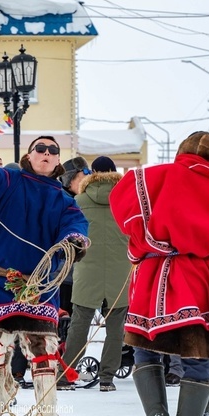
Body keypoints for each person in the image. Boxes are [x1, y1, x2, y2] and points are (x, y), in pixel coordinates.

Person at [109, 131, 209, 416]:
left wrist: (141, 245)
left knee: (145, 342)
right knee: (198, 350)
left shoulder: (155, 176)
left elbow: (121, 200)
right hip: (202, 279)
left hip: (156, 273)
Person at [0, 134, 90, 416]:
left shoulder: (63, 200)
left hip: (40, 284)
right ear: (29, 157)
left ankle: (47, 407)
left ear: (58, 161)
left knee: (42, 344)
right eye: (40, 148)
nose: (46, 153)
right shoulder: (7, 180)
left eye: (53, 150)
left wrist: (73, 241)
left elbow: (76, 225)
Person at [60, 155, 131, 392]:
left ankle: (66, 373)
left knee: (79, 323)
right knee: (115, 327)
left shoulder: (78, 200)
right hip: (120, 271)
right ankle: (107, 378)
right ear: (114, 172)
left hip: (86, 270)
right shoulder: (127, 199)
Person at [57, 156, 91, 316]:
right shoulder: (61, 201)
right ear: (69, 180)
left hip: (78, 274)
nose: (87, 182)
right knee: (63, 323)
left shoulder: (84, 201)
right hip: (61, 275)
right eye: (83, 177)